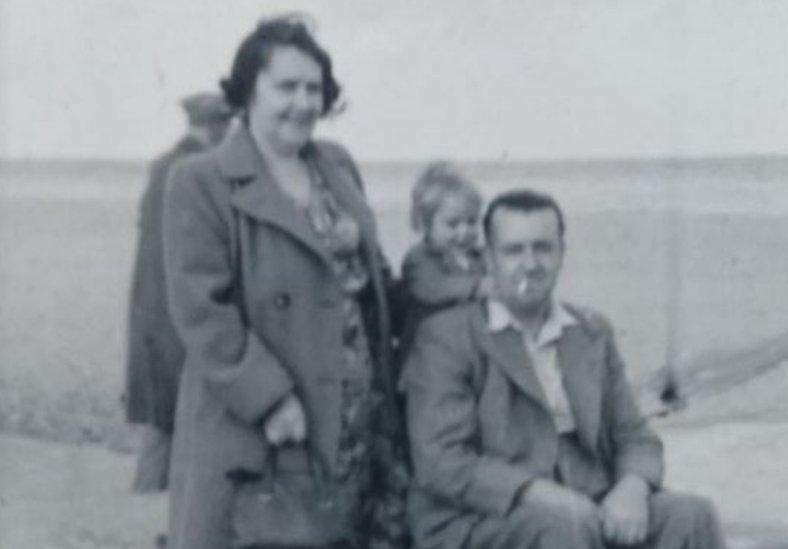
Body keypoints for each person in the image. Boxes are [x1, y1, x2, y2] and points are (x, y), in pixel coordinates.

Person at [162, 16, 406, 549]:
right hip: (264, 431)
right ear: (249, 89)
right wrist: (269, 399)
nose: (303, 103)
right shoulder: (200, 182)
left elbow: (374, 286)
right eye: (287, 87)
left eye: (314, 89)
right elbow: (202, 313)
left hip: (353, 428)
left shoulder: (338, 167)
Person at [402, 190, 727, 549]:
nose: (530, 264)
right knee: (564, 528)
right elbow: (441, 461)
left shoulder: (589, 331)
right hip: (482, 518)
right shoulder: (447, 336)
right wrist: (537, 492)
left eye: (543, 248)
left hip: (588, 501)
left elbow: (634, 434)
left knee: (692, 516)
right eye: (514, 250)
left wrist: (632, 488)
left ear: (561, 253)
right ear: (490, 258)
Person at [125, 91, 233, 493]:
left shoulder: (161, 167)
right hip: (177, 310)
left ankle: (147, 500)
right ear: (217, 126)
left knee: (161, 419)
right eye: (228, 124)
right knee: (177, 421)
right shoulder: (200, 171)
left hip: (151, 307)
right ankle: (150, 507)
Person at [398, 161, 488, 355]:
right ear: (425, 224)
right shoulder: (419, 258)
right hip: (426, 353)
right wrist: (478, 287)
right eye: (453, 224)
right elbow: (432, 288)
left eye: (472, 221)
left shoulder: (480, 257)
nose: (464, 231)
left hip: (467, 348)